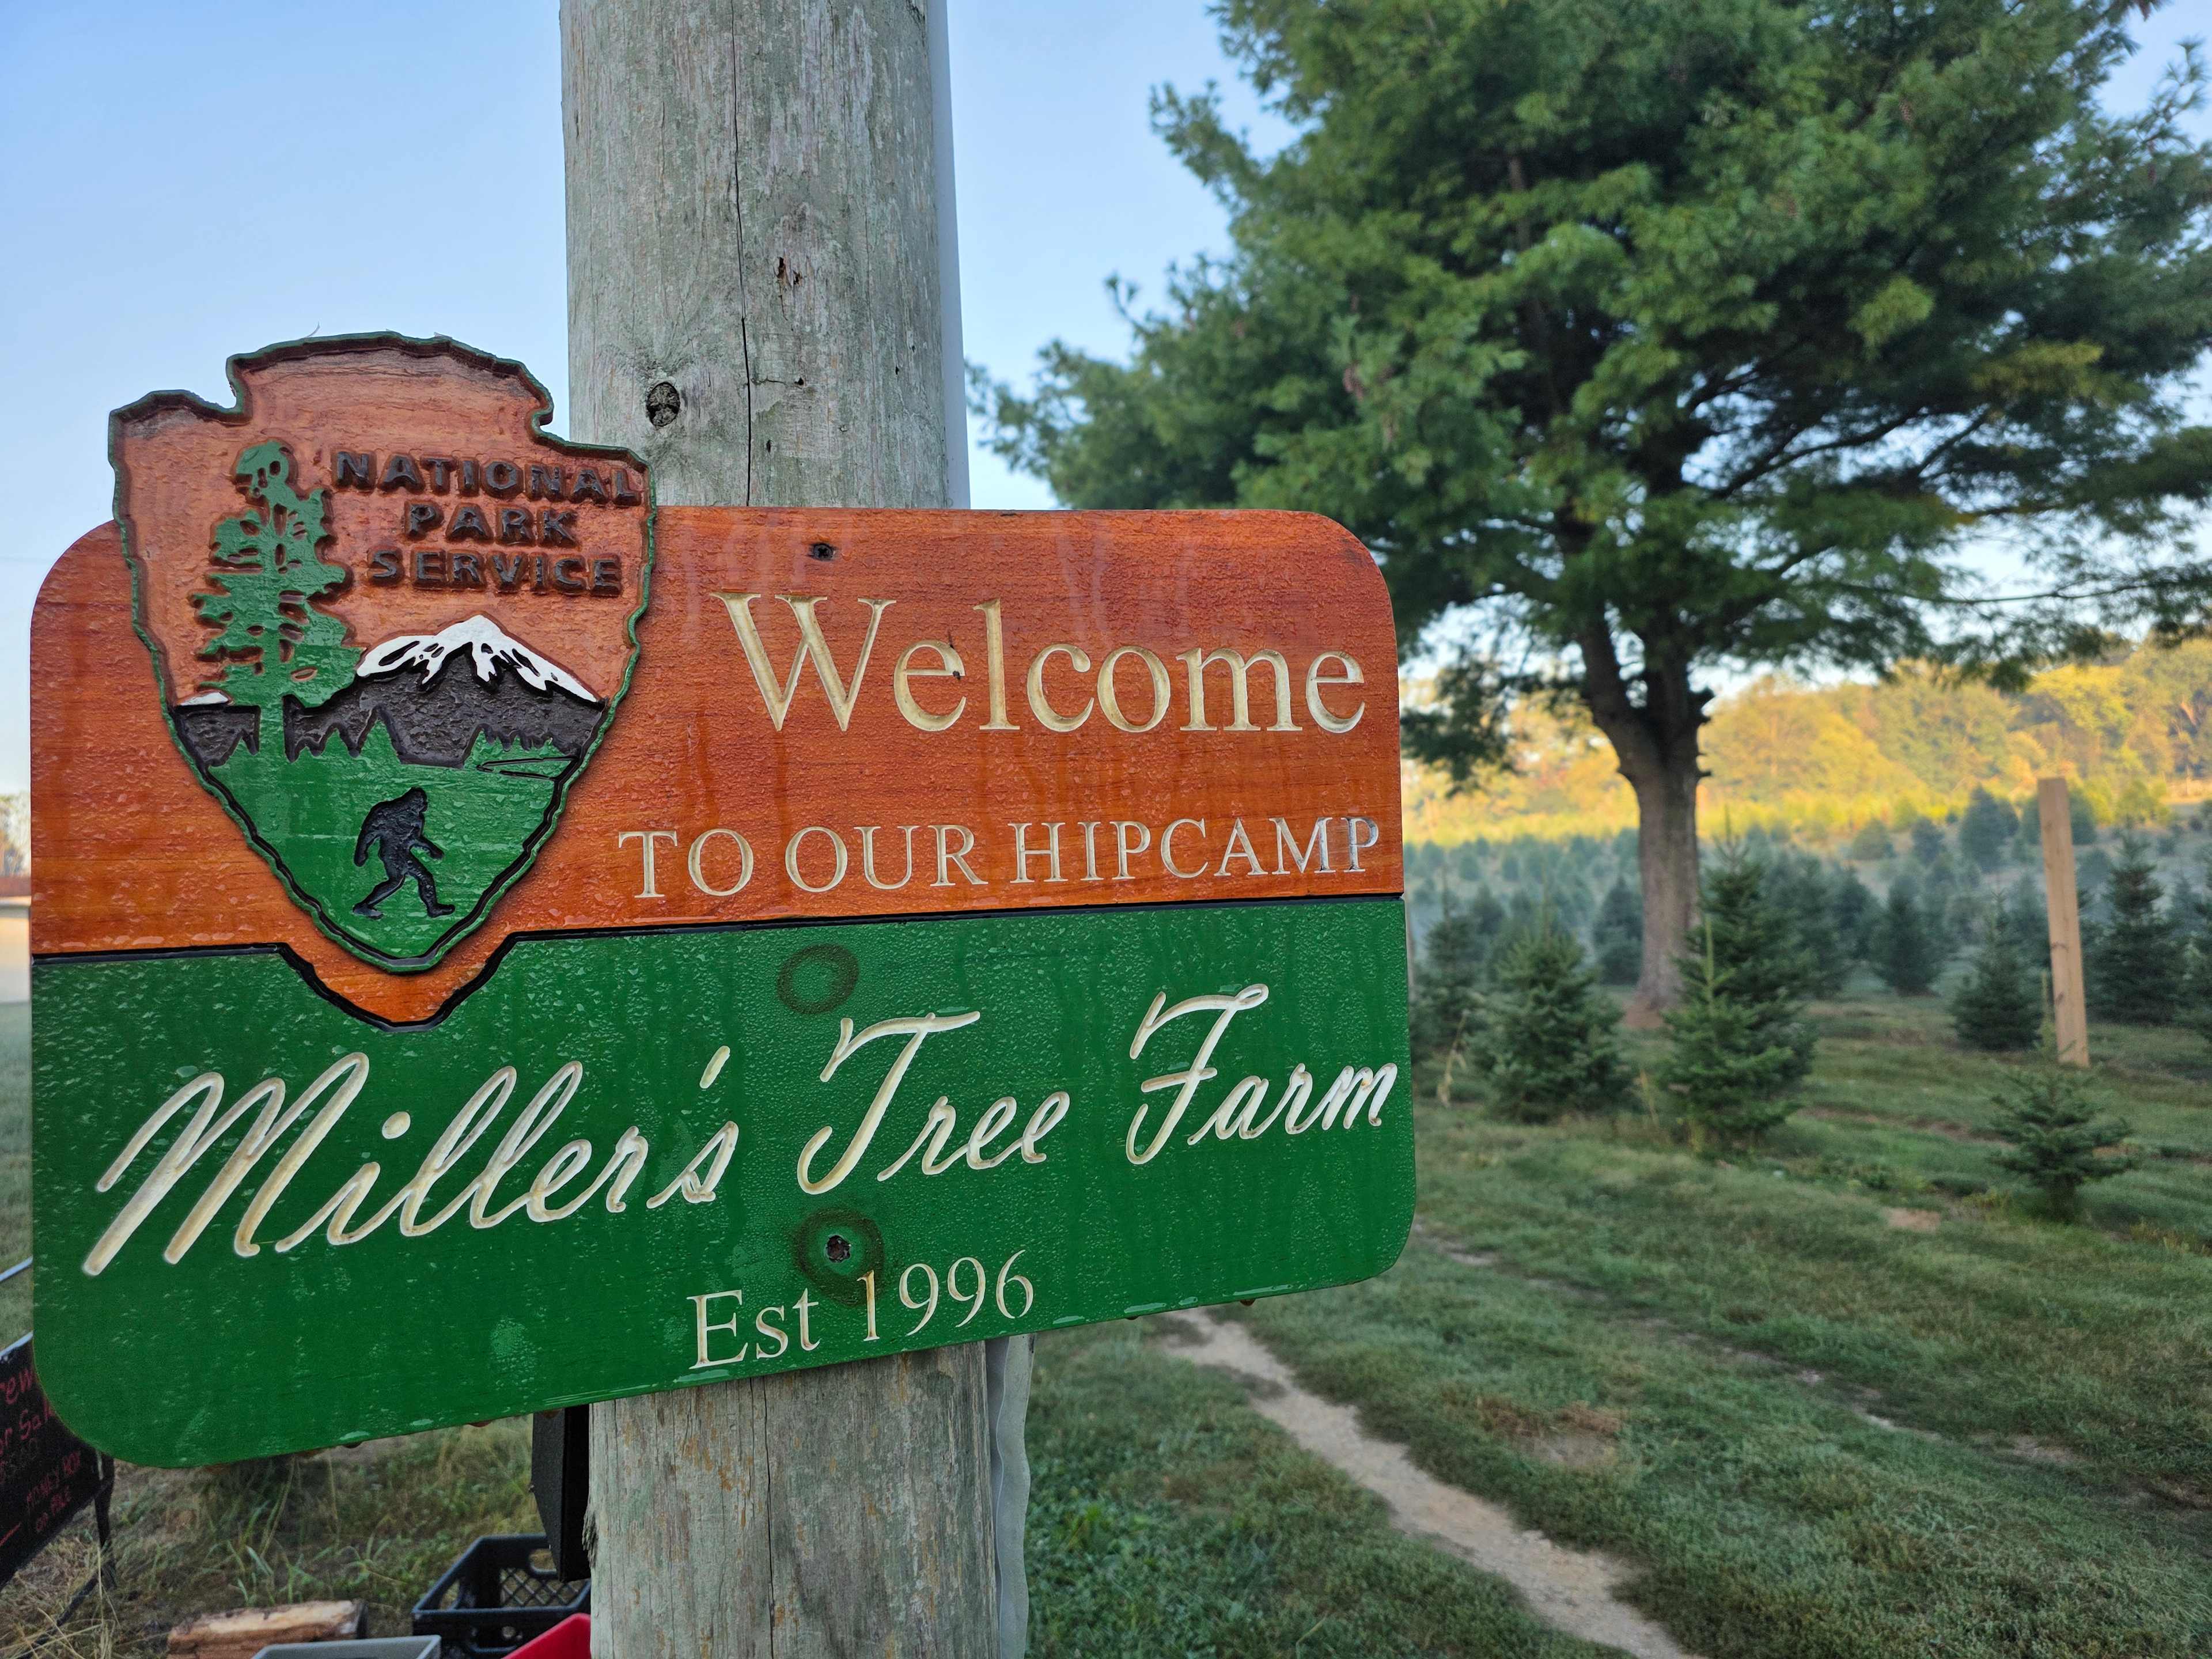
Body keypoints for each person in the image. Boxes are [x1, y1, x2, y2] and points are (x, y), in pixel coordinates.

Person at [352, 786, 453, 918]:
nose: (424, 806)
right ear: (413, 803)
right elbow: (369, 834)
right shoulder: (385, 812)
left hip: (403, 854)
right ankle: (364, 906)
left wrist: (432, 848)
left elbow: (415, 838)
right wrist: (361, 852)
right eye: (422, 803)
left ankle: (433, 908)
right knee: (398, 880)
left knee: (419, 878)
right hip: (391, 854)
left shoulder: (417, 819)